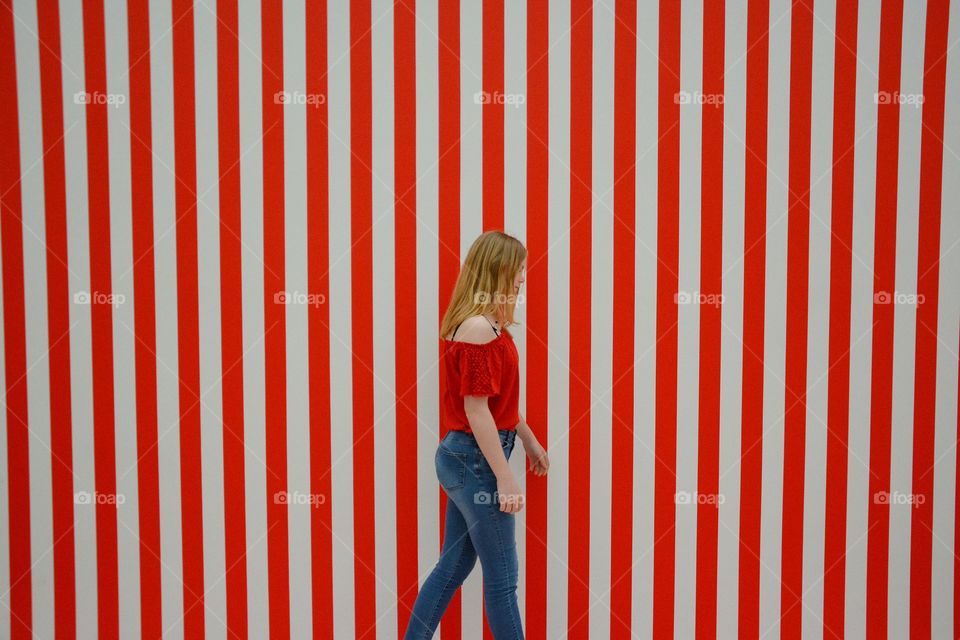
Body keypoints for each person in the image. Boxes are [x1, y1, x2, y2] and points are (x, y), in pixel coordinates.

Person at [403, 230, 550, 639]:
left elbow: (496, 404)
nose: (523, 277)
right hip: (475, 460)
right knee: (503, 581)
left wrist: (527, 437)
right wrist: (504, 477)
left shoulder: (486, 326)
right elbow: (476, 409)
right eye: (519, 268)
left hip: (467, 456)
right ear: (499, 270)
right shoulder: (479, 328)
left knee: (453, 567)